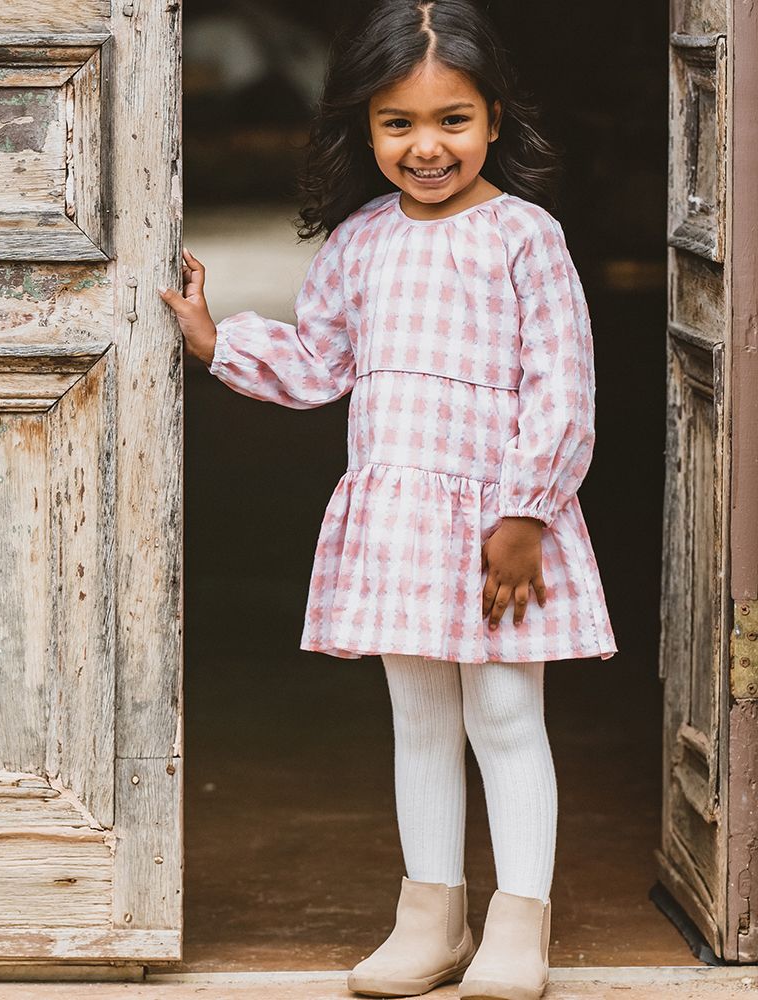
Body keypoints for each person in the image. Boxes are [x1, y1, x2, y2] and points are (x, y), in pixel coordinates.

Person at [159, 1, 618, 996]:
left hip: (502, 527)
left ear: (494, 117)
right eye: (396, 123)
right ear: (363, 128)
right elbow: (324, 358)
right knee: (418, 719)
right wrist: (216, 341)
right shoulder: (360, 240)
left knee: (502, 714)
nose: (425, 145)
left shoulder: (524, 238)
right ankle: (430, 916)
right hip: (403, 523)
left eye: (451, 119)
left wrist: (525, 513)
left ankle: (517, 925)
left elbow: (562, 384)